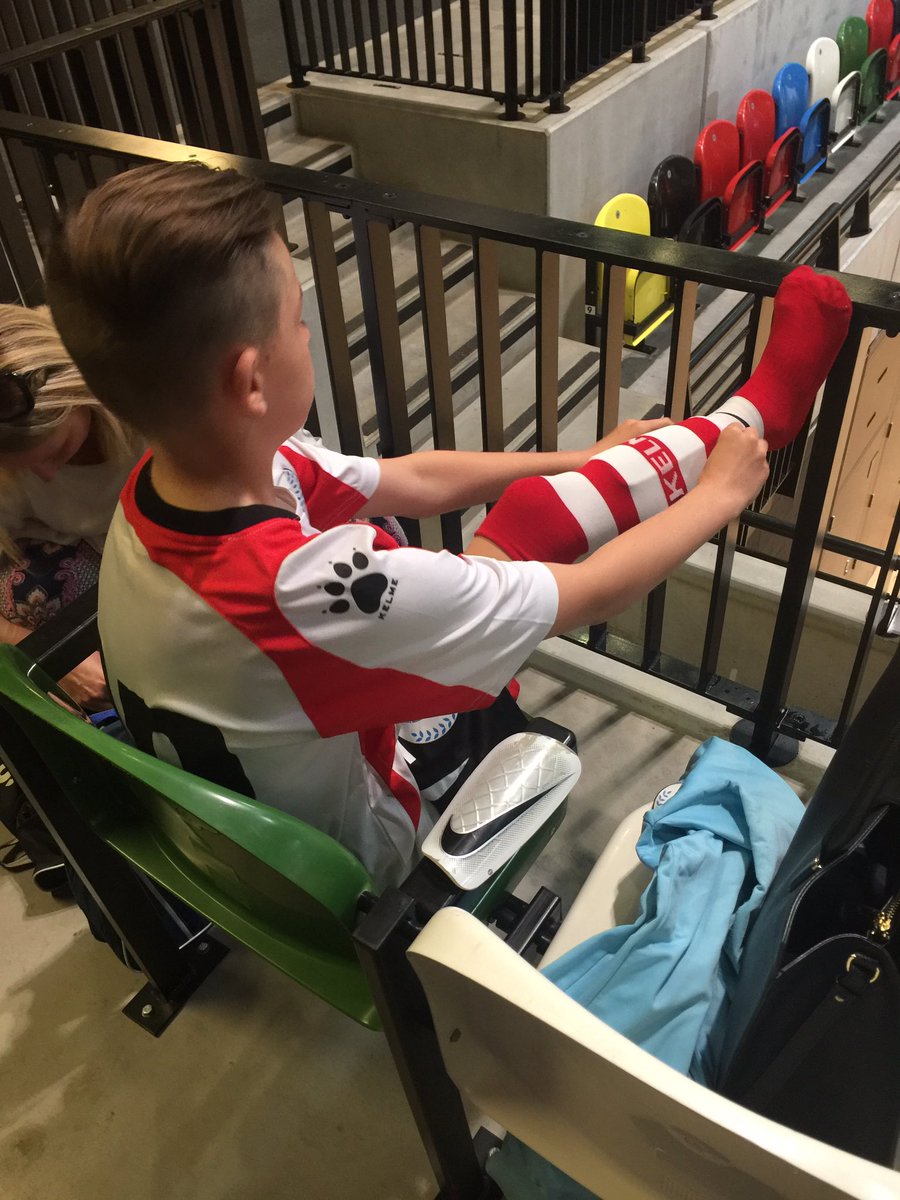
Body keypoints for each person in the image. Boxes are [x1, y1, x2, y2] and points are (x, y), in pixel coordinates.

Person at [44, 162, 851, 889]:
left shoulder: (162, 489)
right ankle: (757, 417)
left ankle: (733, 419)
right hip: (360, 861)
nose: (306, 332)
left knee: (503, 529)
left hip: (233, 843)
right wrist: (719, 497)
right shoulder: (303, 590)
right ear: (251, 379)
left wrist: (570, 458)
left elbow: (412, 478)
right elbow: (590, 596)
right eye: (298, 317)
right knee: (508, 559)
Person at [0, 304, 143, 889]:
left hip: (162, 531)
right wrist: (39, 657)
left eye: (53, 452)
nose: (48, 477)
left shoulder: (143, 386)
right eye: (20, 467)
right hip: (85, 554)